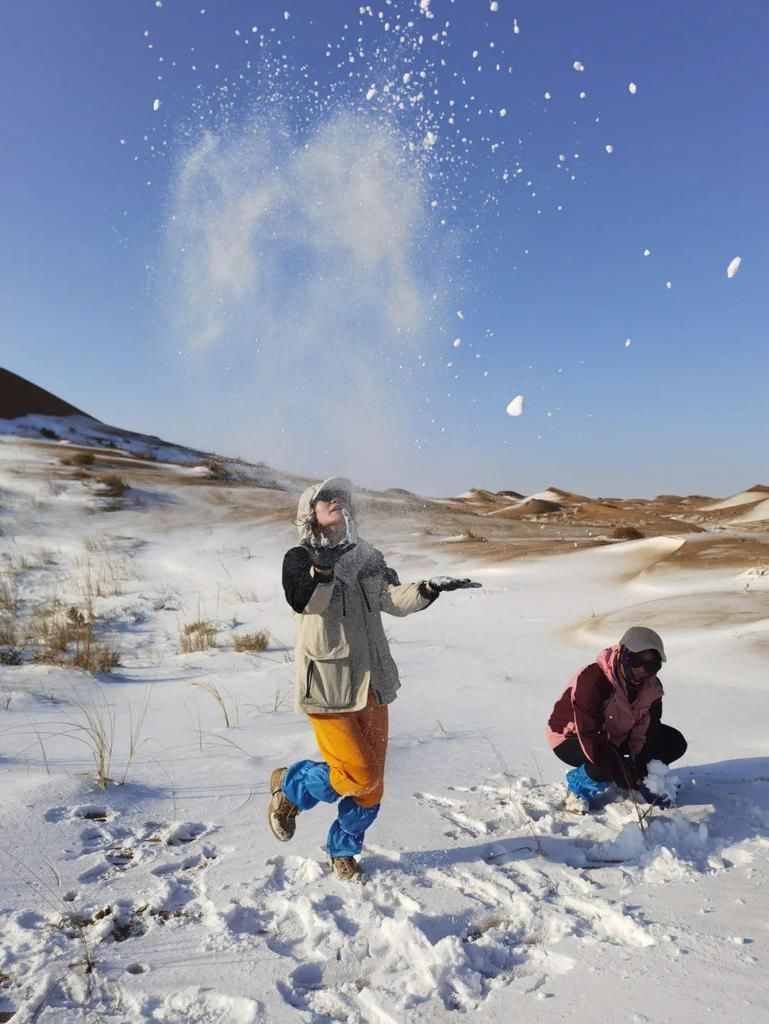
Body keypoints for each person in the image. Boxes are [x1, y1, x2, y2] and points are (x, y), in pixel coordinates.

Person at [269, 476, 481, 881]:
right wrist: (322, 569)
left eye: (342, 498)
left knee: (372, 786)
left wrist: (428, 588)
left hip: (373, 682)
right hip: (328, 686)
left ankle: (343, 850)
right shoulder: (298, 558)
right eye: (327, 498)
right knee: (358, 774)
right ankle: (291, 786)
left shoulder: (367, 556)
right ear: (309, 511)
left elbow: (391, 599)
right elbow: (308, 603)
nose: (338, 502)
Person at [546, 626, 687, 812]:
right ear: (624, 654)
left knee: (672, 741)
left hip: (617, 733)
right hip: (572, 736)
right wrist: (630, 779)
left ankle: (627, 772)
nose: (643, 670)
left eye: (652, 665)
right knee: (603, 766)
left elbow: (647, 733)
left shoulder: (652, 689)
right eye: (637, 660)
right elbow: (590, 736)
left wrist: (647, 777)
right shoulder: (594, 679)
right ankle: (578, 787)